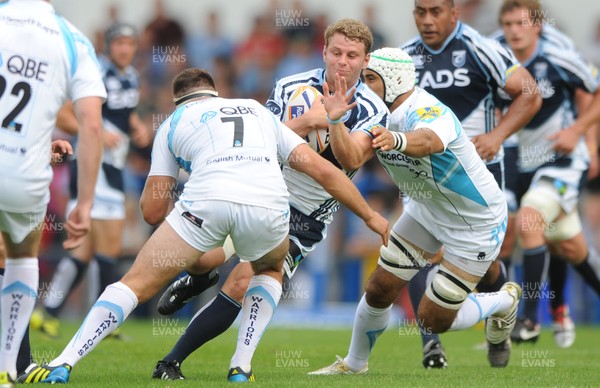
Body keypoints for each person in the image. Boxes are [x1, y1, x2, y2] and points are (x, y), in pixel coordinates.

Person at [20, 68, 389, 384]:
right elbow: (323, 170)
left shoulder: (172, 123)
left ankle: (63, 362)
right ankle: (240, 367)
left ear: (179, 101)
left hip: (205, 204)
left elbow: (151, 211)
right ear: (216, 94)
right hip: (269, 207)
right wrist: (371, 216)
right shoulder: (256, 111)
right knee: (270, 268)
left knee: (134, 284)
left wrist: (180, 207)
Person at [149, 19, 389, 381]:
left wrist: (336, 120)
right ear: (324, 51)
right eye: (336, 52)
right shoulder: (291, 85)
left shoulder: (373, 109)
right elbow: (261, 138)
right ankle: (199, 279)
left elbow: (352, 160)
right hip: (260, 188)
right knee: (205, 258)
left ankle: (175, 361)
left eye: (352, 55)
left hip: (305, 216)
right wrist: (310, 119)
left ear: (365, 60)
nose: (342, 61)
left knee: (241, 283)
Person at [309, 47, 521, 376]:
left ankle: (505, 301)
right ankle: (354, 364)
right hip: (427, 210)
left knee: (432, 317)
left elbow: (428, 142)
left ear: (392, 81)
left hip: (476, 222)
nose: (362, 86)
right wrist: (335, 120)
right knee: (379, 288)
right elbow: (352, 158)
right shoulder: (373, 110)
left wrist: (395, 139)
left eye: (370, 79)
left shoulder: (426, 108)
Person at [400, 0, 541, 368]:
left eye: (435, 11)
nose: (427, 20)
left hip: (477, 177)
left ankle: (500, 319)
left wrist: (497, 135)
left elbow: (531, 92)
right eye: (420, 12)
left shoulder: (481, 49)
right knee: (414, 254)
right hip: (422, 176)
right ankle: (431, 344)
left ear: (453, 13)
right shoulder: (401, 59)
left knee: (488, 266)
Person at [0, 0, 106, 385]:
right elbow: (91, 126)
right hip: (22, 177)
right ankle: (9, 367)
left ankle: (15, 365)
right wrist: (85, 202)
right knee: (19, 257)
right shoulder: (71, 39)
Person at [30, 22, 151, 339]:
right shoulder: (95, 71)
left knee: (84, 252)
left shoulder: (130, 77)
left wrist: (136, 126)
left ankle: (51, 313)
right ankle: (102, 320)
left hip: (112, 169)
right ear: (108, 46)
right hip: (92, 170)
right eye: (119, 43)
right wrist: (93, 132)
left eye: (129, 43)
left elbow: (124, 114)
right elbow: (63, 112)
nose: (124, 49)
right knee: (107, 248)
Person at [495, 0, 600, 347]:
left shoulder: (558, 54)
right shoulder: (494, 54)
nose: (514, 30)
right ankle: (551, 313)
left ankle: (528, 320)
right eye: (508, 23)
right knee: (569, 244)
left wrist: (580, 133)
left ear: (538, 26)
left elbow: (595, 89)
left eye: (521, 23)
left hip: (561, 159)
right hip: (517, 161)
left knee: (528, 220)